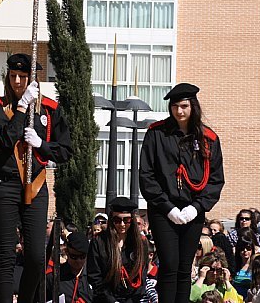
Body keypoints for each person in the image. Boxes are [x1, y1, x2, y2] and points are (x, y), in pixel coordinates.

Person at [0, 53, 73, 303]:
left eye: (23, 77)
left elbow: (66, 150)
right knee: (5, 256)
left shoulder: (49, 108)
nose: (17, 82)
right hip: (5, 185)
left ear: (32, 79)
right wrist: (22, 108)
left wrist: (42, 145)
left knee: (37, 257)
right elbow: (4, 140)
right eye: (13, 76)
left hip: (36, 185)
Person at [139, 83, 225, 303]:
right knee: (169, 265)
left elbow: (215, 180)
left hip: (192, 211)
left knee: (185, 268)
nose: (179, 111)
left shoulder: (209, 139)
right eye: (175, 106)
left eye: (184, 106)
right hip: (163, 210)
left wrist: (197, 208)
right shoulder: (156, 133)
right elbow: (147, 175)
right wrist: (168, 208)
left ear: (193, 107)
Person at [87, 197, 147, 303]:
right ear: (111, 220)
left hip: (132, 299)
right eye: (117, 220)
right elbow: (94, 276)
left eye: (127, 220)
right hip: (105, 299)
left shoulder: (141, 243)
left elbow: (142, 276)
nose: (122, 224)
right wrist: (111, 300)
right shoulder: (99, 241)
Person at [46, 231, 92, 303]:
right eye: (74, 256)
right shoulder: (54, 277)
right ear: (66, 252)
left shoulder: (94, 277)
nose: (78, 261)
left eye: (82, 256)